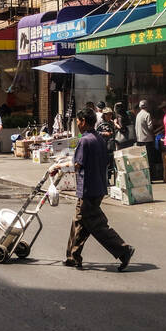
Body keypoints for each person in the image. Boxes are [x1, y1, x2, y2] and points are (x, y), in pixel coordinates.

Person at [58, 109, 135, 271]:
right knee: (79, 222)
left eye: (78, 121)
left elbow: (77, 165)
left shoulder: (84, 141)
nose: (77, 124)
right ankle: (73, 256)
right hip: (98, 186)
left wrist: (59, 166)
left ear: (84, 121)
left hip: (88, 189)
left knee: (96, 225)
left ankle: (123, 250)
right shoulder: (99, 139)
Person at [134, 99, 160, 183]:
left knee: (142, 160)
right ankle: (150, 178)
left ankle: (143, 178)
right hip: (147, 140)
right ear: (147, 106)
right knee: (149, 160)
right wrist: (153, 133)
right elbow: (150, 127)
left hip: (139, 140)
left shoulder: (138, 115)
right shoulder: (147, 114)